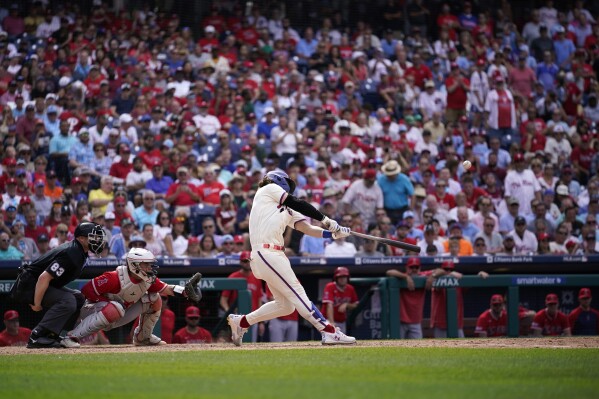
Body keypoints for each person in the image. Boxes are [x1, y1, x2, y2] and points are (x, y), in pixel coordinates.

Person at [227, 170, 356, 346]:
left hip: (274, 255)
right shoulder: (267, 189)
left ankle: (241, 322)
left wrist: (333, 234)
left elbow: (308, 229)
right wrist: (326, 219)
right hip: (267, 253)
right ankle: (328, 331)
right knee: (298, 292)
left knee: (286, 306)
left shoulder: (285, 209)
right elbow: (297, 202)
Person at [68, 248, 202, 346]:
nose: (150, 267)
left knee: (155, 298)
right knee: (116, 308)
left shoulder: (147, 280)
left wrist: (185, 291)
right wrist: (108, 304)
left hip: (118, 314)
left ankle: (143, 337)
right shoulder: (113, 277)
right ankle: (71, 337)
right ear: (134, 265)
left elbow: (166, 288)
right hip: (91, 312)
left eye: (150, 264)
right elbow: (86, 290)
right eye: (146, 264)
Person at [9, 222, 107, 348]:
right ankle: (37, 336)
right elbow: (44, 277)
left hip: (40, 283)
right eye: (93, 237)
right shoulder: (72, 253)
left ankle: (55, 335)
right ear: (81, 238)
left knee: (78, 298)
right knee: (68, 300)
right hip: (29, 284)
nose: (98, 240)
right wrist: (36, 303)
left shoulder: (80, 251)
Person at [220, 251, 264, 342]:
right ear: (240, 262)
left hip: (253, 316)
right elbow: (223, 300)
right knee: (236, 344)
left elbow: (259, 300)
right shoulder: (233, 277)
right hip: (238, 316)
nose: (247, 263)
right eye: (244, 261)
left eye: (249, 261)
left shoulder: (257, 277)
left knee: (252, 344)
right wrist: (229, 313)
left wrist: (261, 321)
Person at [386, 257, 430, 339]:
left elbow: (440, 270)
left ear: (420, 268)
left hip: (416, 322)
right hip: (401, 321)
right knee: (397, 348)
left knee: (417, 348)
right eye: (411, 267)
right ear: (407, 268)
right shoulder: (402, 277)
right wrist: (406, 277)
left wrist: (432, 276)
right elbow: (389, 272)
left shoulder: (423, 276)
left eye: (416, 267)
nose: (414, 269)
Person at [321, 267, 359, 334]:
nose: (342, 279)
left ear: (347, 278)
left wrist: (347, 304)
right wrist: (331, 322)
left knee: (341, 342)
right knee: (330, 339)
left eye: (344, 277)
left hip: (341, 321)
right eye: (340, 277)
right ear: (336, 278)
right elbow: (329, 305)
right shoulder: (330, 286)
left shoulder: (350, 288)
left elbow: (355, 305)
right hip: (327, 320)